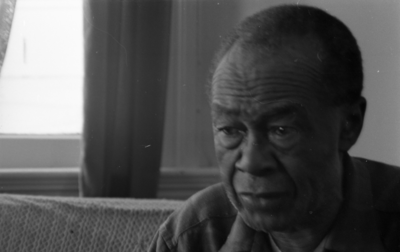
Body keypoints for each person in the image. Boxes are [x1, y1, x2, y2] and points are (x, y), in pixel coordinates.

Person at [148, 4, 400, 252]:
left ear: (350, 125)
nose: (251, 163)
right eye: (229, 130)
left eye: (281, 130)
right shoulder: (192, 235)